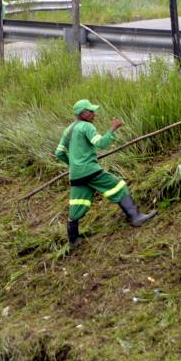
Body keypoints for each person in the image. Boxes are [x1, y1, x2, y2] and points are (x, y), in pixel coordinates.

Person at [55, 99, 156, 249]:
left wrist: (74, 164)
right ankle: (136, 217)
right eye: (91, 111)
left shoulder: (68, 130)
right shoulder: (87, 126)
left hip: (76, 175)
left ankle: (73, 240)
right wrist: (112, 129)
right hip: (90, 170)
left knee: (77, 205)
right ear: (83, 114)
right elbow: (101, 143)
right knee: (119, 187)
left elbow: (59, 153)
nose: (94, 114)